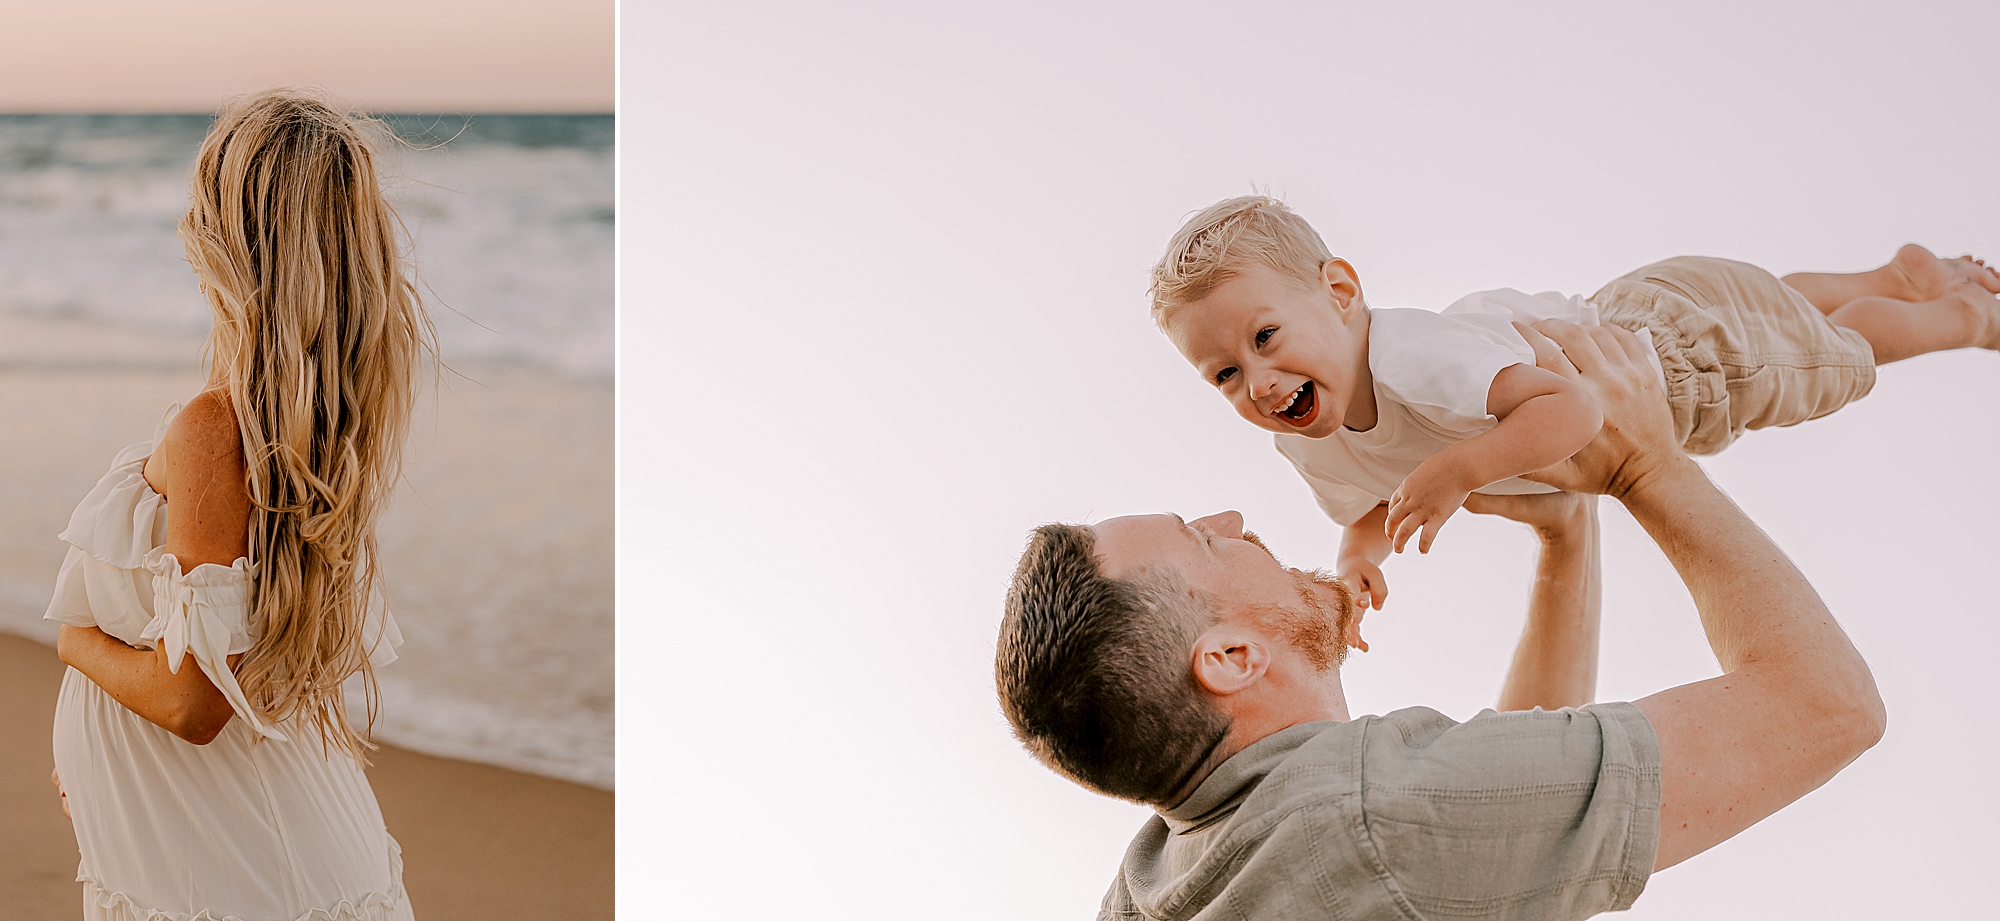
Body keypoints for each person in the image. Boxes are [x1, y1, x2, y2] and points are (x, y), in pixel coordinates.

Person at [995, 319, 1886, 919]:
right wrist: (1651, 467)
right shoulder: (1372, 816)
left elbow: (1492, 824)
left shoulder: (1155, 887)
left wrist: (1565, 544)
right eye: (1202, 538)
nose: (1233, 519)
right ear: (1229, 655)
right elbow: (1825, 707)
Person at [1153, 195, 2000, 617]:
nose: (1257, 383)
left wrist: (1460, 468)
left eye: (1264, 337)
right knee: (1778, 309)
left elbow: (1573, 414)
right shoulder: (1307, 437)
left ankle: (1958, 315)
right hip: (1648, 321)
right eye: (1223, 375)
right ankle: (1898, 279)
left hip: (1682, 364)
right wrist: (1354, 561)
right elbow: (1372, 501)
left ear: (1340, 291)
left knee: (1833, 358)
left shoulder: (1409, 354)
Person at [44, 90, 427, 921]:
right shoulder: (314, 426)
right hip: (230, 844)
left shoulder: (217, 430)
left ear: (230, 230)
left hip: (241, 872)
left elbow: (194, 700)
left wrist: (76, 643)